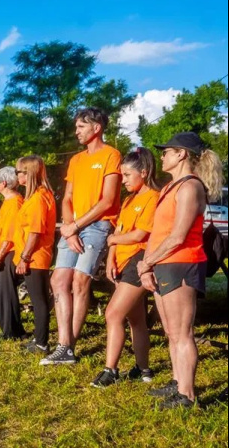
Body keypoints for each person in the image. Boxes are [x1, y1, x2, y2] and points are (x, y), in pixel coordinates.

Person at [138, 132, 224, 409]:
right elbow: (157, 233)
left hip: (182, 263)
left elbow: (177, 236)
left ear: (182, 154)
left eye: (166, 151)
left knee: (182, 332)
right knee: (171, 332)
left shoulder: (191, 187)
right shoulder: (169, 188)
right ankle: (178, 383)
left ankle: (187, 395)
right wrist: (147, 265)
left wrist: (148, 262)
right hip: (163, 263)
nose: (162, 156)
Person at [46, 107, 121, 365]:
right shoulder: (76, 160)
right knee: (58, 280)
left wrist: (76, 225)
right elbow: (67, 197)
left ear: (96, 128)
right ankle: (63, 344)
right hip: (73, 227)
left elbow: (108, 200)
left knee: (80, 280)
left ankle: (69, 346)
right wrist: (69, 228)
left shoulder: (111, 155)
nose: (76, 131)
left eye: (81, 126)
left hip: (98, 225)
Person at [91, 147, 160, 388]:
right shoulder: (130, 200)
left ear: (144, 172)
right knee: (135, 318)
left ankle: (110, 370)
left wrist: (112, 240)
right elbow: (119, 232)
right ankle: (143, 368)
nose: (124, 180)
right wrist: (111, 257)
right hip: (122, 261)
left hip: (139, 260)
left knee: (113, 313)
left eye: (128, 175)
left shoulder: (153, 197)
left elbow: (140, 234)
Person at [13, 156, 57, 356]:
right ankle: (39, 339)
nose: (16, 175)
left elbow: (35, 232)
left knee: (39, 301)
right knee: (38, 299)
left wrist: (25, 257)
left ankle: (41, 343)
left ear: (28, 173)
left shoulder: (39, 198)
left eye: (19, 172)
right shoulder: (35, 196)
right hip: (34, 256)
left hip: (35, 257)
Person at [0, 167, 25, 340]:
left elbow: (9, 235)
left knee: (6, 293)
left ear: (3, 183)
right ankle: (8, 328)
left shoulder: (15, 203)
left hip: (8, 254)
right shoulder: (8, 202)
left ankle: (13, 332)